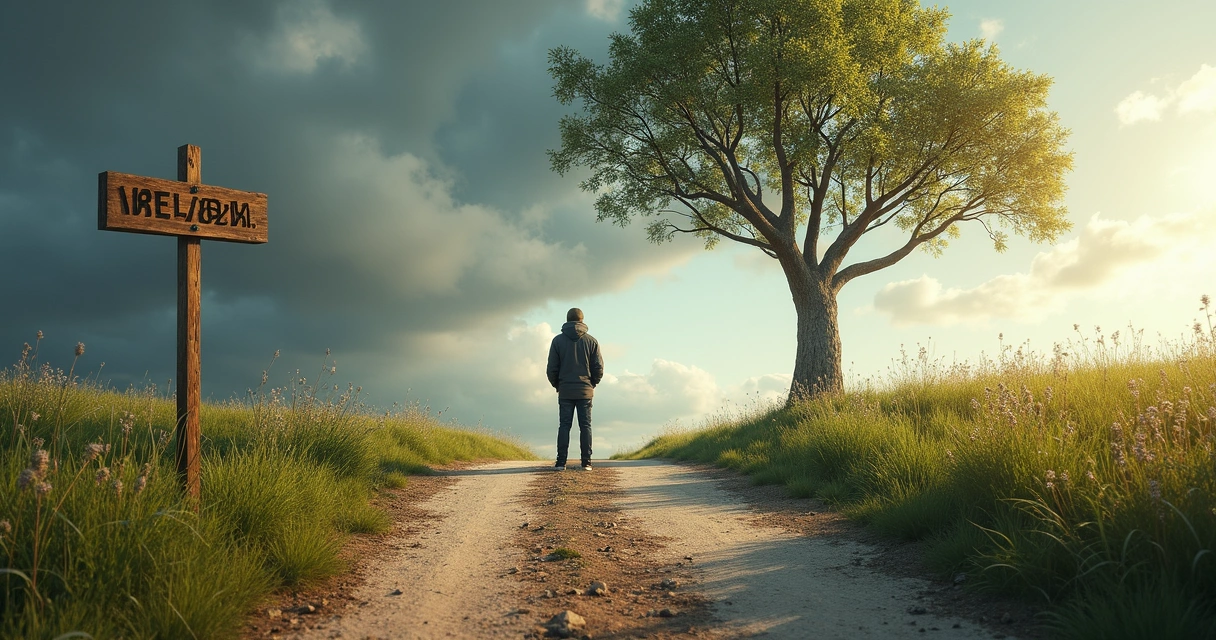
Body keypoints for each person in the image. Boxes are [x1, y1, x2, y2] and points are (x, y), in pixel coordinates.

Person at [546, 307, 603, 471]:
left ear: (567, 320)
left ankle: (560, 462)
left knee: (564, 425)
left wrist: (557, 384)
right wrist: (592, 384)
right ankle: (586, 462)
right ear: (582, 321)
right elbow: (598, 368)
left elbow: (551, 369)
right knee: (585, 426)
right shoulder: (592, 341)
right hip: (585, 390)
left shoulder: (557, 341)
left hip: (565, 389)